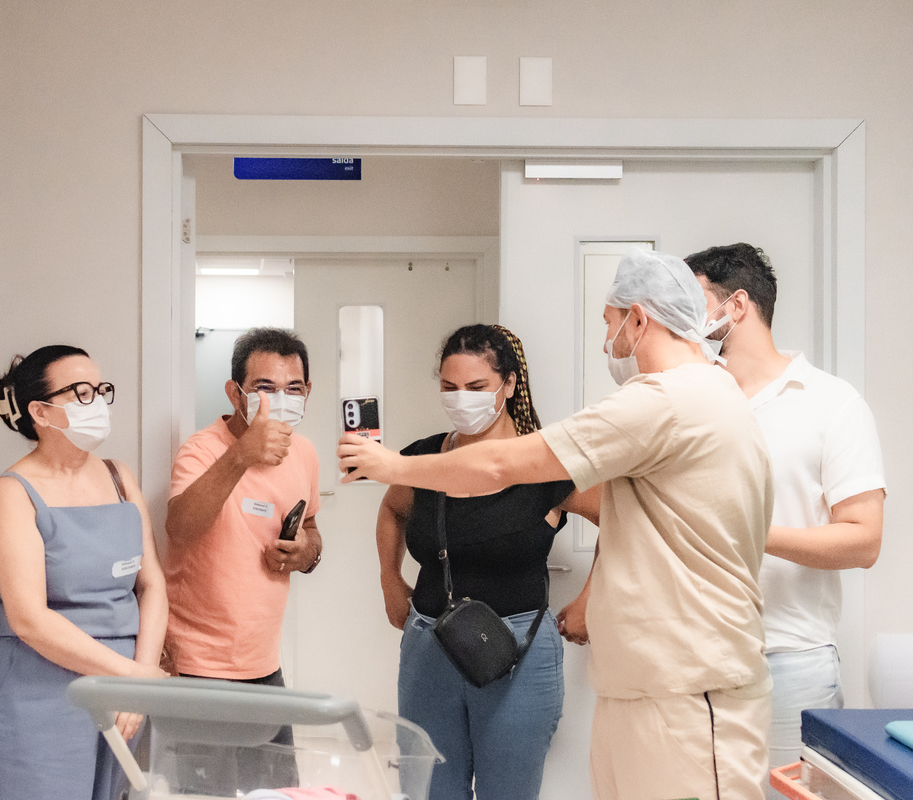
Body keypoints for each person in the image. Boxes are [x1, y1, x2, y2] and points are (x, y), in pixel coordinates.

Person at [339, 249, 774, 800]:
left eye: (610, 323)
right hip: (655, 683)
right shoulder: (704, 399)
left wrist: (393, 466)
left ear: (639, 319)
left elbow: (500, 467)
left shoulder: (669, 402)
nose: (606, 341)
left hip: (686, 686)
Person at [686, 243, 886, 783]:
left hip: (787, 662)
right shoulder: (693, 401)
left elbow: (864, 540)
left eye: (691, 299)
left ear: (737, 305)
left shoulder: (831, 403)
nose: (679, 314)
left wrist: (752, 533)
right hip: (689, 658)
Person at [377, 324, 601, 800]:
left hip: (518, 650)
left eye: (476, 388)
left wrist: (590, 598)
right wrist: (389, 579)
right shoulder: (422, 459)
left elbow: (622, 525)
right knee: (429, 789)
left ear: (509, 385)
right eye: (449, 388)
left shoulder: (548, 464)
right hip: (428, 643)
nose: (462, 400)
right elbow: (393, 510)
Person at [0, 345, 168, 800]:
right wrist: (131, 676)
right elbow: (29, 618)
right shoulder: (13, 493)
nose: (98, 403)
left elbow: (152, 583)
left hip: (126, 698)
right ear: (40, 411)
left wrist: (139, 678)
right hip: (43, 695)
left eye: (101, 390)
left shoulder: (119, 477)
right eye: (82, 393)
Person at [163, 327, 322, 790]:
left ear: (307, 392)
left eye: (294, 389)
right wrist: (240, 456)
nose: (281, 400)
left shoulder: (304, 452)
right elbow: (180, 528)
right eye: (264, 388)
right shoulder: (201, 449)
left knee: (275, 792)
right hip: (197, 666)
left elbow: (311, 528)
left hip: (263, 664)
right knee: (203, 795)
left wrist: (304, 553)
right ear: (236, 393)